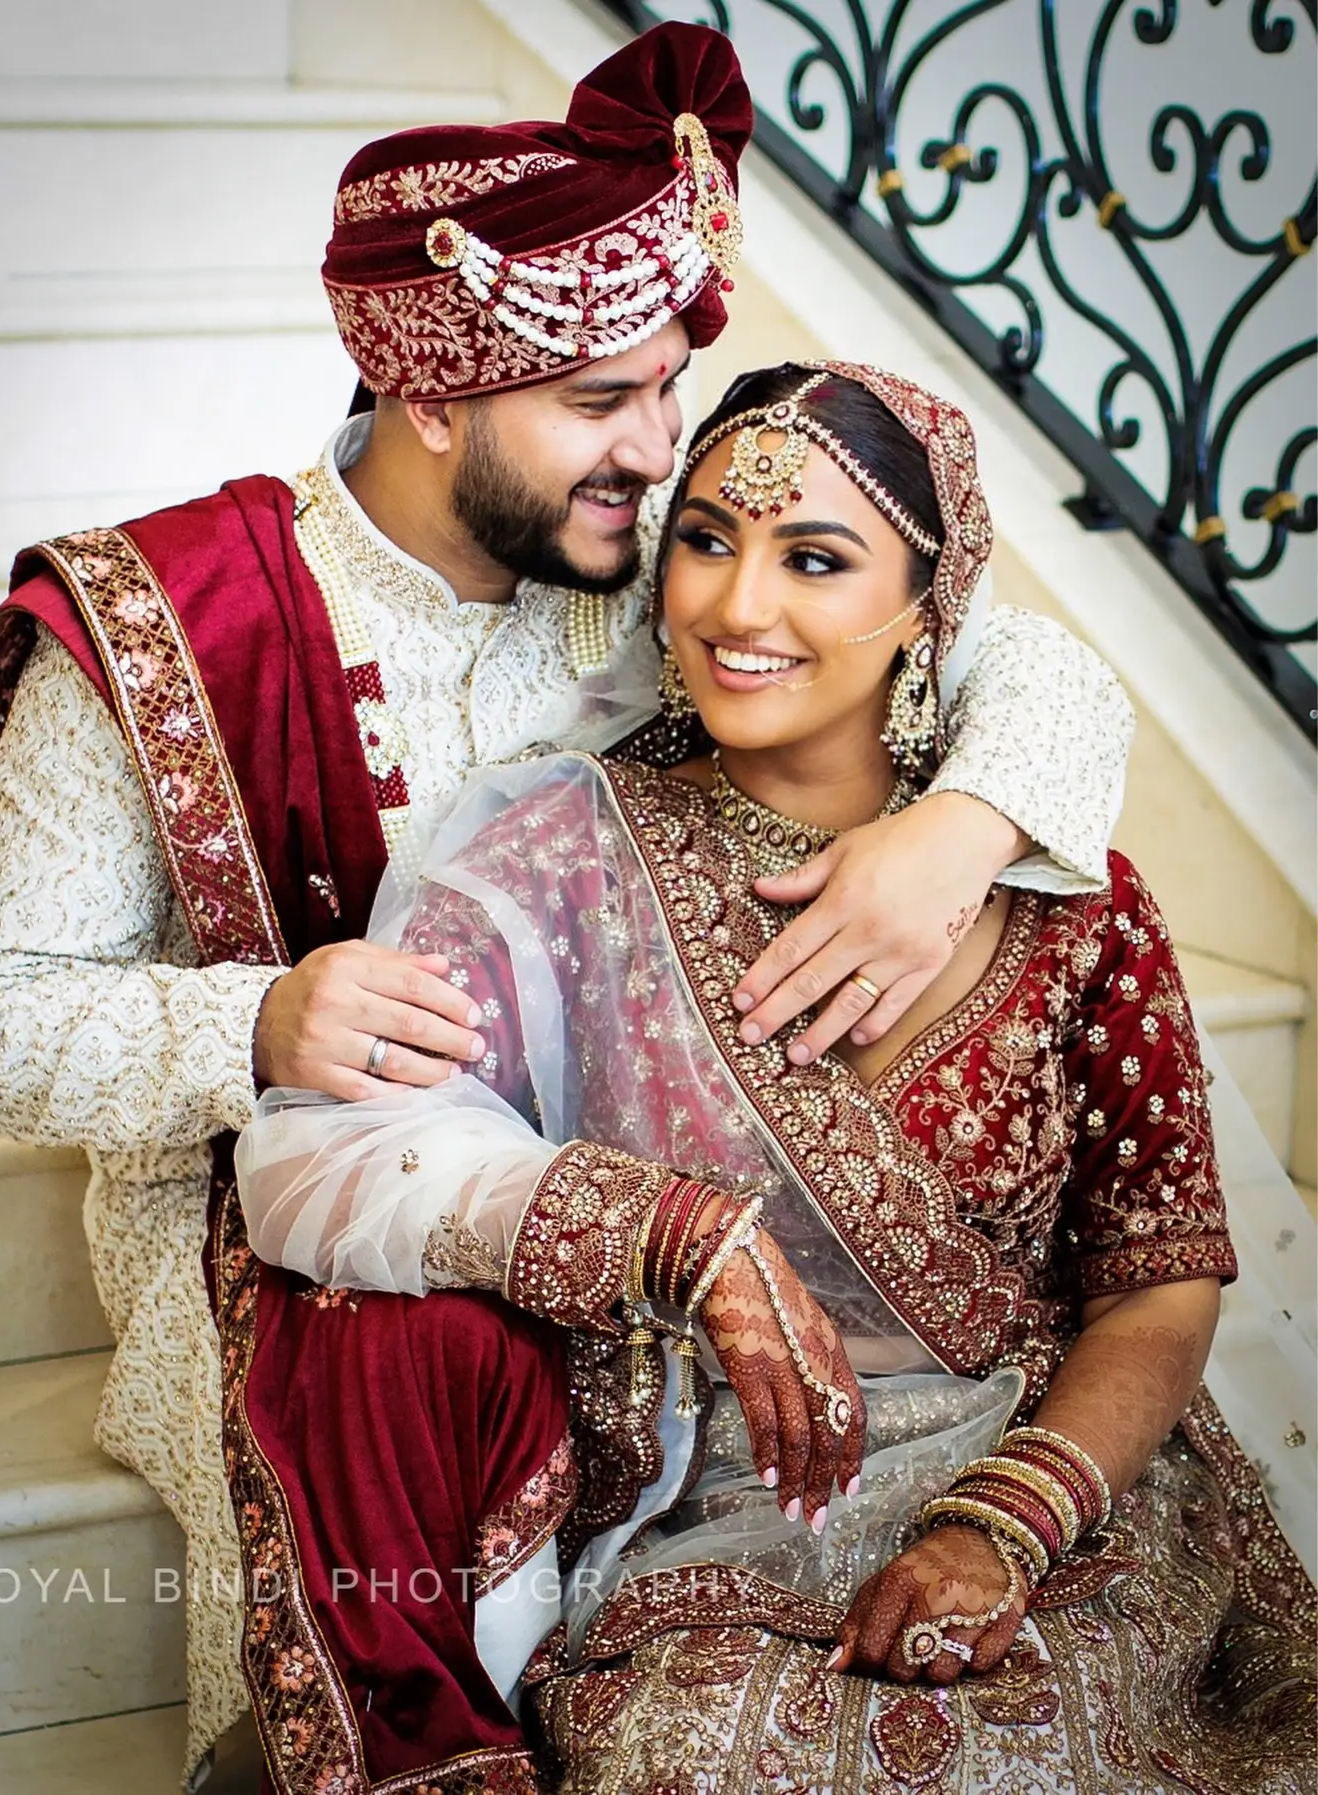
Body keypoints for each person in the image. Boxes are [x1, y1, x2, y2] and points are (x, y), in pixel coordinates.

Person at [0, 24, 1134, 1789]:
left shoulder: (651, 566)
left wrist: (963, 821)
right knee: (425, 1367)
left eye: (666, 386)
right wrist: (254, 1015)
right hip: (308, 1238)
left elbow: (1014, 652)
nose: (658, 449)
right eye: (600, 403)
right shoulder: (169, 620)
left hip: (679, 1171)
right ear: (433, 398)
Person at [237, 361, 1316, 1791]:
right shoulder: (562, 856)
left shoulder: (1077, 905)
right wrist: (657, 1227)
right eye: (704, 541)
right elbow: (323, 1155)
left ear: (932, 608)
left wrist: (1005, 1522)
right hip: (706, 1505)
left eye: (814, 558)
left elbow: (1160, 1282)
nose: (737, 607)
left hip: (1056, 1490)